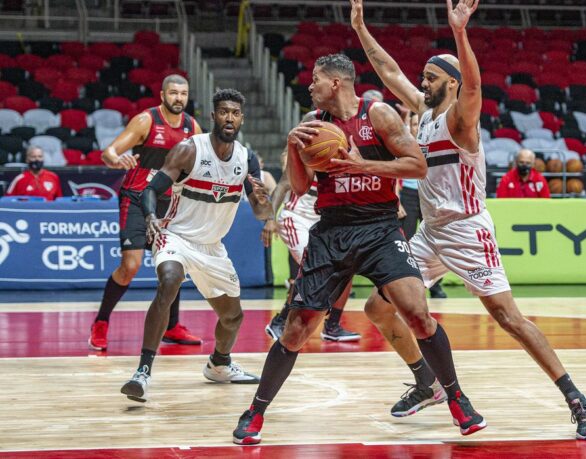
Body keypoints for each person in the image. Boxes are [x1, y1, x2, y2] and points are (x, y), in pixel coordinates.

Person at [351, 0, 586, 440]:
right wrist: (360, 28)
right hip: (430, 233)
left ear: (452, 82)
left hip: (468, 230)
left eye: (431, 77)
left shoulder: (462, 119)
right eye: (423, 76)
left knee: (508, 318)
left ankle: (574, 396)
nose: (422, 82)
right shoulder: (424, 113)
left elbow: (475, 83)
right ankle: (427, 382)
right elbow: (389, 71)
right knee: (376, 307)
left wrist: (460, 32)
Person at [232, 53, 484, 445]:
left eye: (316, 79)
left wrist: (361, 165)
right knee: (297, 330)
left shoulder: (378, 115)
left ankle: (456, 398)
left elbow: (417, 166)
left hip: (379, 227)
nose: (309, 86)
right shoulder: (313, 125)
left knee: (417, 313)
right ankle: (256, 411)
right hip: (332, 229)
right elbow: (300, 187)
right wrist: (294, 147)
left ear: (335, 83)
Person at [120, 88, 269, 402]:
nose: (229, 118)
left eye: (235, 113)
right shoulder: (189, 150)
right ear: (213, 116)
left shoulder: (246, 159)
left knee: (233, 317)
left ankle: (219, 364)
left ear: (242, 119)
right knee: (169, 281)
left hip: (212, 247)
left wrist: (265, 203)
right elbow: (150, 190)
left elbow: (259, 211)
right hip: (176, 235)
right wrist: (150, 216)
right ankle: (142, 372)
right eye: (224, 112)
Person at [88, 74, 202, 351]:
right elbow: (109, 152)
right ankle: (101, 321)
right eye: (173, 93)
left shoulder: (192, 127)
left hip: (169, 204)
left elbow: (201, 165)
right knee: (130, 266)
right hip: (137, 197)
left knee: (174, 265)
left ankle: (172, 326)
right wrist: (117, 159)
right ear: (162, 95)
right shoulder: (146, 121)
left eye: (183, 94)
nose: (178, 98)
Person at [260, 152, 361, 342]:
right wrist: (270, 218)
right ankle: (281, 321)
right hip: (296, 218)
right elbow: (282, 185)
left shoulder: (346, 154)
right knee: (314, 268)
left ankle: (332, 326)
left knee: (347, 268)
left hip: (324, 223)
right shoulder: (308, 154)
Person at [394, 104, 448, 299]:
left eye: (419, 124)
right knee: (406, 241)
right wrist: (397, 200)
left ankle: (435, 285)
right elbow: (393, 172)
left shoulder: (435, 141)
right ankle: (406, 284)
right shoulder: (404, 144)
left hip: (431, 196)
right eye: (414, 124)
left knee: (435, 240)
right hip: (408, 194)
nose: (417, 127)